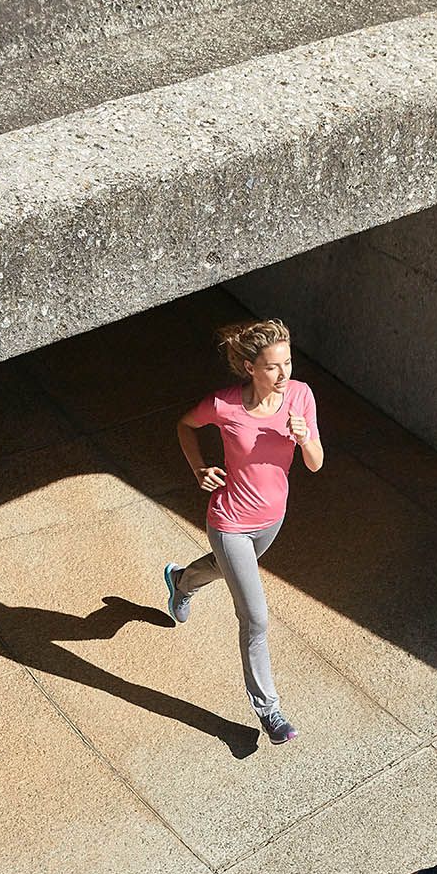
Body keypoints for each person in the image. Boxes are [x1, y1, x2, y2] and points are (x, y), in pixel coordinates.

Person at [161, 318, 323, 745]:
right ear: (251, 367)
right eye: (272, 366)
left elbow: (315, 463)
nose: (283, 374)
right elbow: (185, 425)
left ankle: (181, 581)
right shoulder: (224, 405)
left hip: (273, 518)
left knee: (223, 568)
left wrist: (305, 439)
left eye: (288, 363)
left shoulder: (300, 396)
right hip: (229, 520)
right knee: (255, 616)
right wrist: (199, 469)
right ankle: (269, 710)